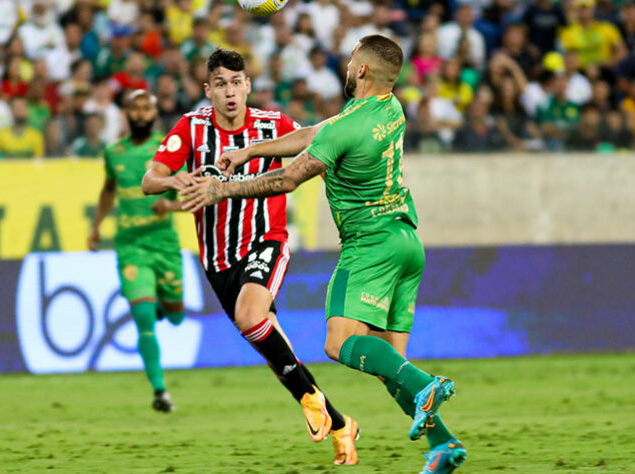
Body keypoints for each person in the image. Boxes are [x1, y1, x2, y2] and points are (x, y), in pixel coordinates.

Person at [181, 36, 467, 473]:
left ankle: (426, 385)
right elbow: (314, 134)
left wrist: (222, 189)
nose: (347, 65)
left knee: (339, 343)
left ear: (363, 72)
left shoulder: (345, 128)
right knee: (386, 362)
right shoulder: (388, 110)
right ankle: (443, 444)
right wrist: (249, 151)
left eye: (352, 60)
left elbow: (287, 180)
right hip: (407, 244)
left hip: (369, 246)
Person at [142, 49, 359, 465]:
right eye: (220, 83)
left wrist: (348, 130)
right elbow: (149, 179)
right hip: (218, 260)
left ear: (248, 87)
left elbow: (316, 136)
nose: (229, 92)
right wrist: (175, 179)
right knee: (275, 355)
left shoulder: (271, 125)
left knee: (249, 316)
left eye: (236, 83)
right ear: (208, 90)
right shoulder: (191, 128)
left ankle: (316, 405)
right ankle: (337, 422)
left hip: (266, 240)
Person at [88, 90, 185, 412]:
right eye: (135, 108)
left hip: (164, 242)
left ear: (155, 113)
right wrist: (96, 225)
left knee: (175, 316)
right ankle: (160, 392)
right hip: (130, 244)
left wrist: (169, 205)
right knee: (142, 315)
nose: (141, 113)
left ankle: (161, 306)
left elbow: (196, 190)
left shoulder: (169, 147)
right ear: (126, 113)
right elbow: (108, 189)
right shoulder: (113, 152)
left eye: (147, 107)